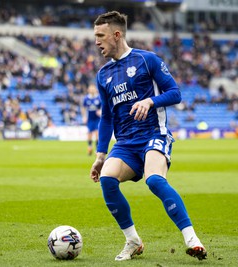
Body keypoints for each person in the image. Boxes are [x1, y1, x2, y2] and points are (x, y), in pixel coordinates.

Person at [90, 11, 207, 261]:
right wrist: (100, 155)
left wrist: (151, 101)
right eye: (95, 36)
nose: (97, 41)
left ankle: (191, 239)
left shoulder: (147, 60)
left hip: (155, 134)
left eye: (101, 35)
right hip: (125, 144)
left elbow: (175, 93)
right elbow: (107, 117)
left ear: (117, 34)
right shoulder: (103, 75)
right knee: (107, 180)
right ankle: (133, 241)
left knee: (154, 180)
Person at [82, 83, 101, 155]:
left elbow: (103, 107)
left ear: (95, 89)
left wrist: (100, 111)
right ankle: (89, 147)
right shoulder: (86, 98)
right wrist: (84, 116)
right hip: (90, 118)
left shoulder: (99, 98)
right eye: (90, 88)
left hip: (97, 118)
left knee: (97, 133)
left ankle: (97, 149)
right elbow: (83, 108)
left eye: (93, 88)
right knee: (89, 134)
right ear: (88, 90)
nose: (92, 90)